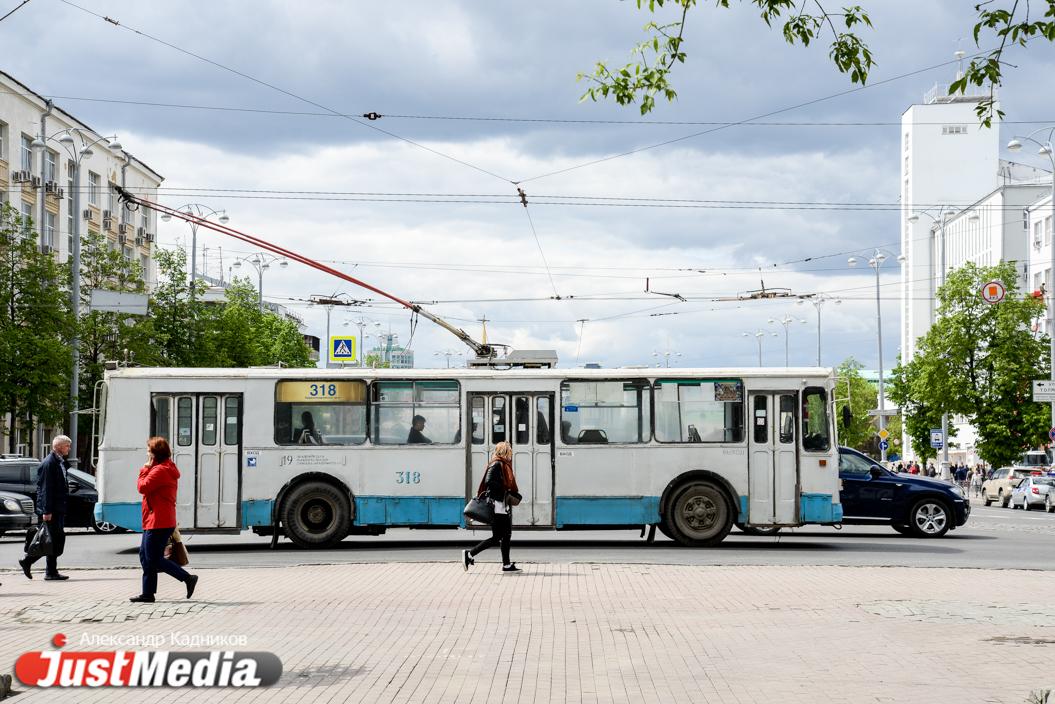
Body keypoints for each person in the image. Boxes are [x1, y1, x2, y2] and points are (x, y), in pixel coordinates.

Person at [131, 436, 198, 603]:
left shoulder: (160, 470)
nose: (147, 454)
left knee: (153, 558)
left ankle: (187, 578)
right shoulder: (164, 467)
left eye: (149, 451)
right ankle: (147, 593)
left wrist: (145, 469)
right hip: (154, 519)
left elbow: (142, 487)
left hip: (158, 521)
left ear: (156, 453)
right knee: (145, 556)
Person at [18, 435, 72, 581]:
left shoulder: (59, 462)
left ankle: (51, 571)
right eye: (67, 445)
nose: (69, 448)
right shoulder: (49, 463)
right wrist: (47, 511)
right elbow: (46, 489)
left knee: (53, 540)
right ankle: (28, 561)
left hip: (57, 508)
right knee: (48, 539)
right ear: (59, 447)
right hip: (51, 510)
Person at [463, 441, 520, 573]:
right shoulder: (496, 464)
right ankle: (469, 554)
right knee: (499, 536)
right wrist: (505, 491)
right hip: (497, 507)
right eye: (509, 451)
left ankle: (506, 565)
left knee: (506, 535)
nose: (510, 454)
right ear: (504, 452)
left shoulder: (502, 464)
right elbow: (489, 482)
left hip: (501, 506)